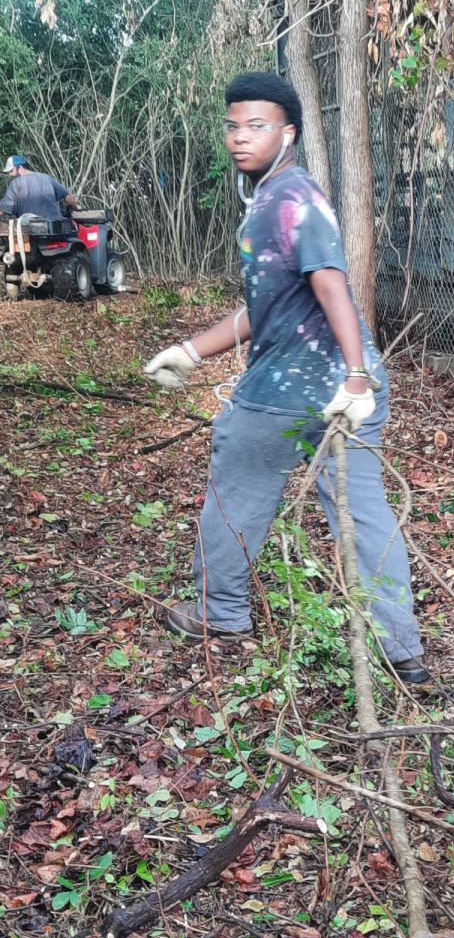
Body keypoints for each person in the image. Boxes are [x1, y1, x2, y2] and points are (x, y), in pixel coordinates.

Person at [144, 72, 428, 684]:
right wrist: (192, 351)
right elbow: (267, 305)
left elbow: (331, 285)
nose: (241, 138)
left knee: (235, 474)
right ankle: (398, 647)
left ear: (288, 132)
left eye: (257, 126)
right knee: (360, 508)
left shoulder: (292, 199)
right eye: (233, 126)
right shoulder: (272, 199)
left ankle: (220, 613)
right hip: (336, 385)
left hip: (300, 388)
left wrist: (353, 379)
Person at [1, 156, 78, 220]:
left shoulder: (15, 183)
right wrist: (75, 210)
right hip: (55, 228)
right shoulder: (47, 178)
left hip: (32, 231)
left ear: (20, 168)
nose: (10, 174)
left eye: (11, 171)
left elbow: (3, 209)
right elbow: (68, 197)